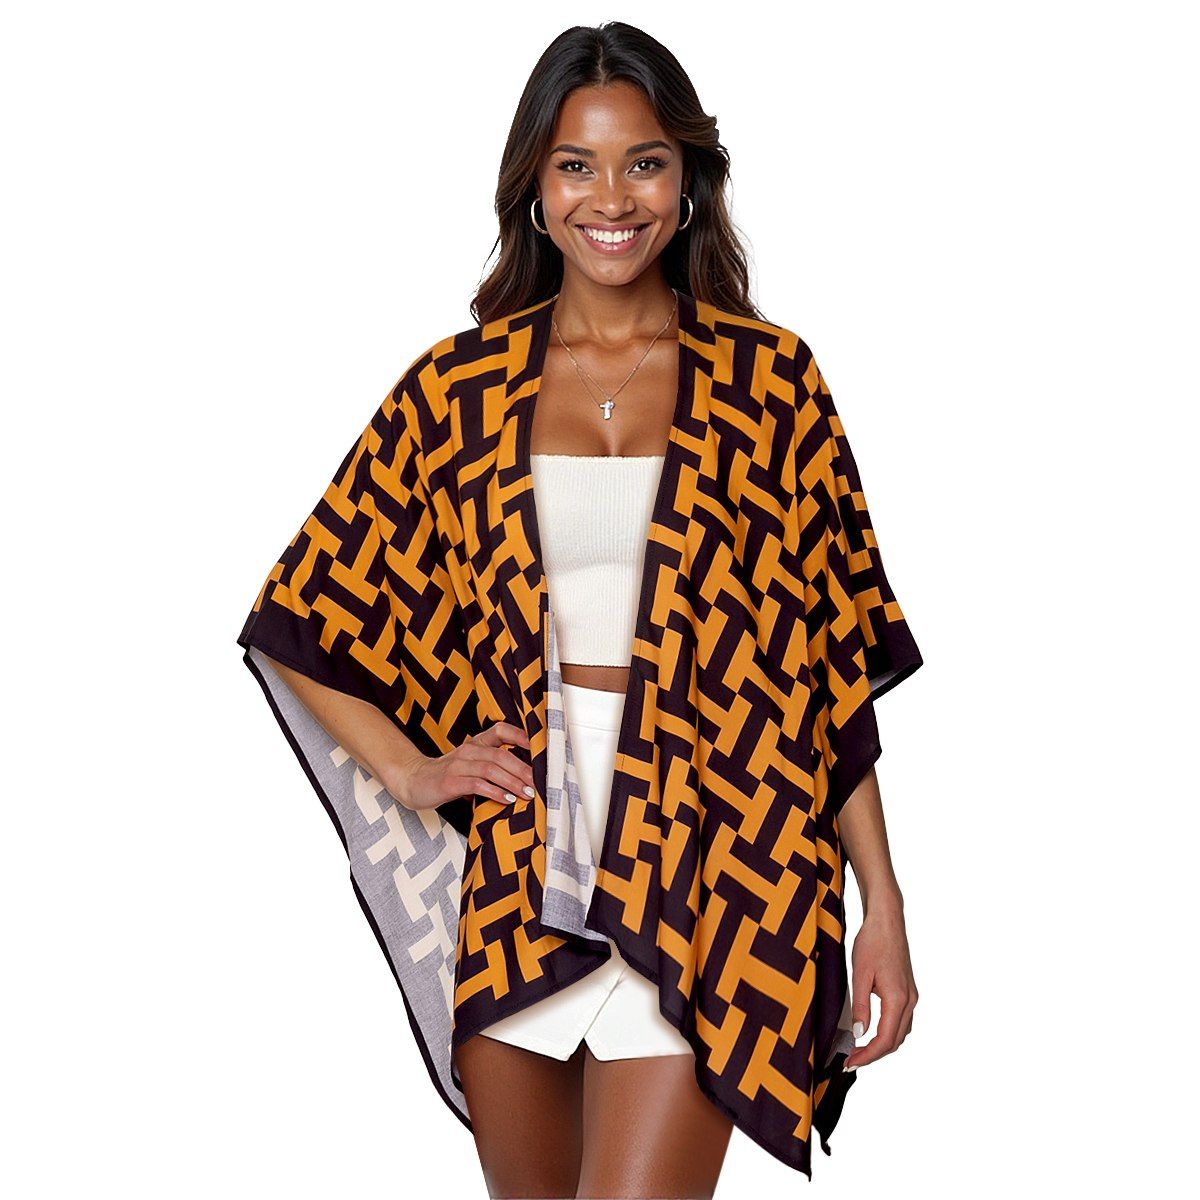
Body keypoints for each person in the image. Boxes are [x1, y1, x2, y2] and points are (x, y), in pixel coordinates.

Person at [237, 21, 923, 1200]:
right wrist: (410, 771)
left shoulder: (771, 385)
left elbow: (828, 677)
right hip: (519, 869)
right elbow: (306, 611)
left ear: (688, 179)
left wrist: (885, 907)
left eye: (644, 162)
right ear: (536, 190)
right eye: (577, 166)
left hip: (713, 852)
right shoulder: (458, 389)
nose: (613, 198)